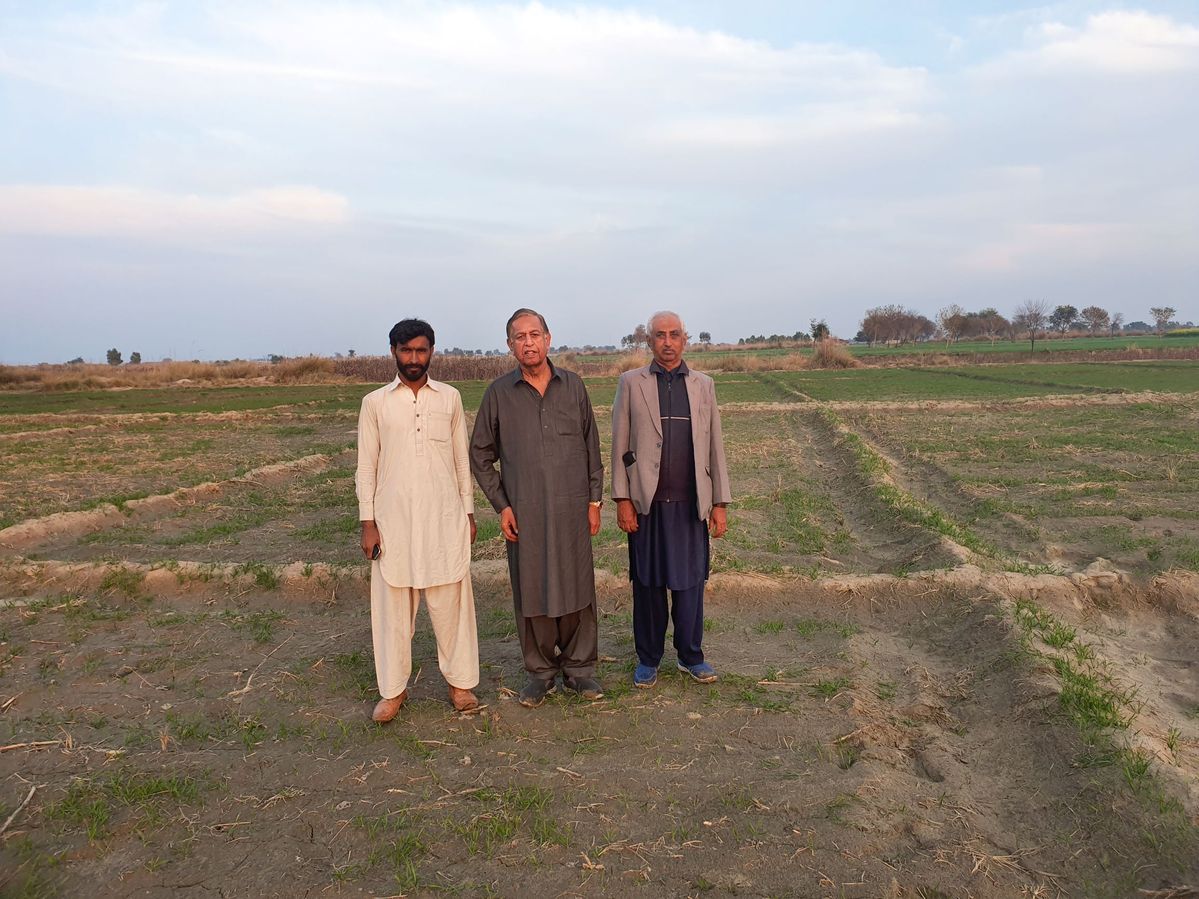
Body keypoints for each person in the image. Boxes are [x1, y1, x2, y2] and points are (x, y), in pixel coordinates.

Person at [470, 308, 605, 708]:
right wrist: (502, 505)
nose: (528, 342)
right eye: (519, 336)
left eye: (535, 334)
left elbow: (591, 448)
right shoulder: (498, 394)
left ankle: (581, 670)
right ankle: (541, 672)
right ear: (509, 345)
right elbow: (480, 454)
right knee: (532, 587)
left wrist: (594, 501)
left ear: (548, 339)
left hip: (572, 509)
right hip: (524, 512)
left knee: (578, 585)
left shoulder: (574, 387)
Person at [356, 318, 480, 722]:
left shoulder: (449, 398)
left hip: (444, 517)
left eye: (421, 350)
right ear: (393, 351)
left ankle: (460, 685)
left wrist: (468, 511)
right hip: (393, 522)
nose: (414, 358)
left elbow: (462, 460)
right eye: (406, 350)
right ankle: (392, 692)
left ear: (432, 352)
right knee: (392, 609)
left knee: (452, 604)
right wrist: (367, 522)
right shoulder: (376, 403)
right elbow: (366, 467)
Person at [611, 310, 731, 688]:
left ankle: (690, 656)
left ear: (685, 339)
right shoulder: (631, 383)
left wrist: (720, 503)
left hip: (690, 505)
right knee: (647, 583)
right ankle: (648, 658)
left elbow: (715, 447)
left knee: (690, 582)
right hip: (646, 505)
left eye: (674, 334)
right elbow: (619, 446)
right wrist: (623, 499)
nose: (667, 341)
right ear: (649, 341)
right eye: (659, 335)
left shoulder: (703, 385)